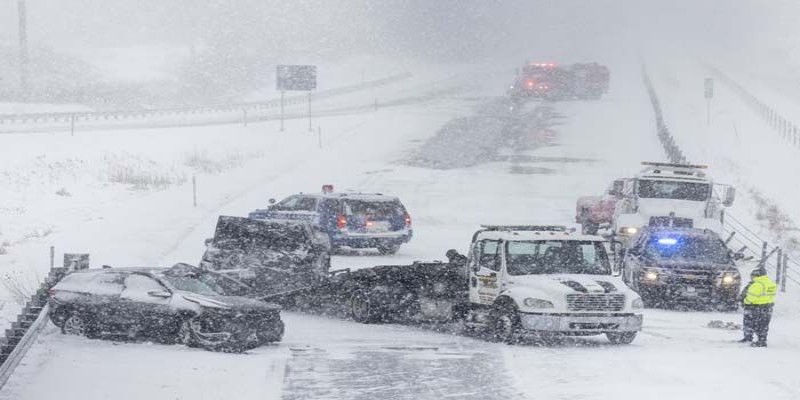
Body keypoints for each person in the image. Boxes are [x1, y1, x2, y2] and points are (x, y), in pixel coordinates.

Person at [739, 268, 777, 347]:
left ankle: (749, 338)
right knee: (763, 325)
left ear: (756, 275)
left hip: (755, 307)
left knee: (749, 323)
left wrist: (745, 302)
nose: (751, 277)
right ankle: (762, 339)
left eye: (752, 275)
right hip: (767, 307)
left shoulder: (757, 284)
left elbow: (751, 297)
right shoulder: (771, 283)